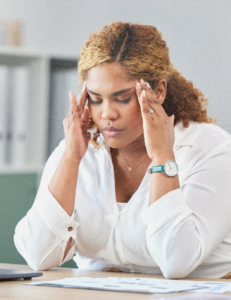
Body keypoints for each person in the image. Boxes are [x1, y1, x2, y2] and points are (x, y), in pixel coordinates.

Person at [14, 22, 231, 279]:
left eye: (122, 98)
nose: (107, 114)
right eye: (95, 99)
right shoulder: (78, 151)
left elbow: (176, 262)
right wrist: (71, 158)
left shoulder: (210, 149)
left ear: (158, 91)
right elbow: (38, 255)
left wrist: (163, 157)